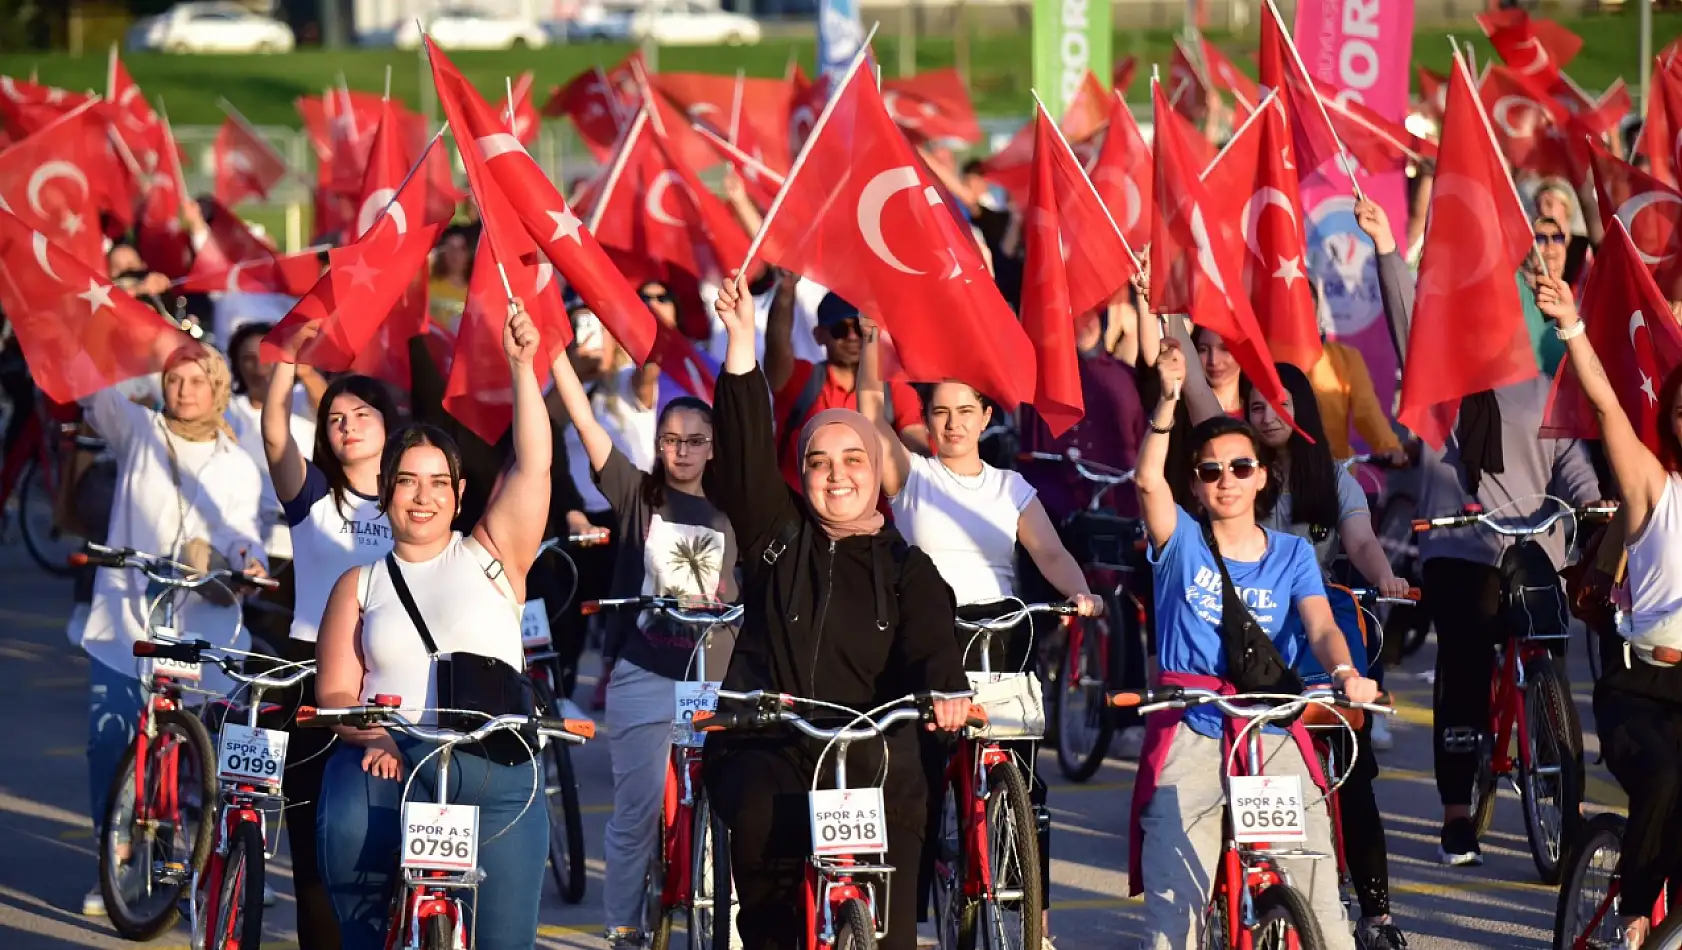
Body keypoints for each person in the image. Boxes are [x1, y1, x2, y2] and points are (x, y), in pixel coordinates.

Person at [704, 273, 972, 950]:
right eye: (819, 461)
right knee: (761, 820)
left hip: (874, 748)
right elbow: (740, 462)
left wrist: (945, 689)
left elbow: (933, 640)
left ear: (878, 468)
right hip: (774, 739)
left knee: (910, 790)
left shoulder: (906, 565)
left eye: (854, 458)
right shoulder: (776, 535)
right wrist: (741, 345)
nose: (837, 475)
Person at [314, 301, 551, 950]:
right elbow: (334, 695)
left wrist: (523, 366)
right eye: (408, 483)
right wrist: (375, 740)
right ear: (386, 491)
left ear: (459, 493)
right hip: (391, 759)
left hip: (495, 762)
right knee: (347, 840)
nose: (423, 497)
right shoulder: (357, 584)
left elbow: (533, 466)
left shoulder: (493, 554)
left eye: (438, 483)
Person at [858, 315, 1100, 945]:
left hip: (1004, 645)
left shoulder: (1011, 487)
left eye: (967, 411)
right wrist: (872, 345)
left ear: (987, 417)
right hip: (932, 649)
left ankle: (1035, 925)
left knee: (1025, 788)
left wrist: (1078, 592)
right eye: (941, 411)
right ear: (928, 419)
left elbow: (1048, 553)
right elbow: (867, 416)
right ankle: (909, 917)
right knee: (918, 789)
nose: (954, 422)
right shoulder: (912, 477)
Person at [1131, 337, 1378, 950]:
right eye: (1210, 470)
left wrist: (1346, 672)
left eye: (1241, 467)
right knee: (1175, 917)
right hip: (1193, 727)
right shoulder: (1181, 542)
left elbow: (1321, 628)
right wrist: (1166, 402)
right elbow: (1145, 483)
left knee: (1319, 900)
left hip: (1272, 725)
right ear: (1193, 484)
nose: (1227, 480)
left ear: (1262, 475)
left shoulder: (1293, 553)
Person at [549, 338, 740, 949]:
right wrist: (554, 354)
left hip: (720, 679)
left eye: (694, 440)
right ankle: (625, 932)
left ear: (714, 446)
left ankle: (727, 933)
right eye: (670, 439)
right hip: (645, 672)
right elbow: (583, 421)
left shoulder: (741, 506)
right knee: (633, 818)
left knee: (731, 816)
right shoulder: (637, 494)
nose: (681, 451)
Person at [76, 343, 268, 917]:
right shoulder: (139, 431)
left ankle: (184, 865)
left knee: (192, 756)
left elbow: (243, 532)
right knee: (110, 742)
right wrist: (117, 317)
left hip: (198, 625)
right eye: (173, 379)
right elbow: (92, 383)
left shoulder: (236, 461)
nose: (183, 391)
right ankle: (118, 860)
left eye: (195, 380)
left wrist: (246, 560)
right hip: (126, 622)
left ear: (217, 387)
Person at [1537, 274, 1682, 949]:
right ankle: (1631, 911)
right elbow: (1605, 408)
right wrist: (1571, 326)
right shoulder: (1654, 487)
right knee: (1667, 774)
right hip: (1640, 685)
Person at [1243, 364, 1411, 950]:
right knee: (1257, 758)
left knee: (1354, 772)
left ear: (1304, 409)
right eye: (1256, 406)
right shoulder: (1240, 473)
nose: (1268, 417)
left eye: (1280, 404)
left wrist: (1385, 576)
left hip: (1326, 627)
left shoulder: (1332, 475)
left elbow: (1361, 541)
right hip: (1257, 630)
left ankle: (1377, 917)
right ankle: (1268, 897)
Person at [262, 348, 397, 949]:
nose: (346, 425)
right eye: (335, 418)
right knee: (314, 847)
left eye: (361, 413)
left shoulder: (416, 501)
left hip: (392, 681)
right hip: (308, 678)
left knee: (386, 849)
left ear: (389, 425)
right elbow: (273, 434)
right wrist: (287, 358)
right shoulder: (313, 495)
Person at [763, 291, 929, 489]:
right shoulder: (802, 379)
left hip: (877, 515)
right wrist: (785, 292)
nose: (852, 337)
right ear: (819, 335)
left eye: (860, 329)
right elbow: (776, 346)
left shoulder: (896, 390)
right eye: (840, 329)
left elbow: (915, 438)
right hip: (798, 513)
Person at [427, 226, 474, 336]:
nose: (454, 253)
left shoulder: (475, 292)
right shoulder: (429, 283)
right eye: (450, 247)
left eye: (460, 248)